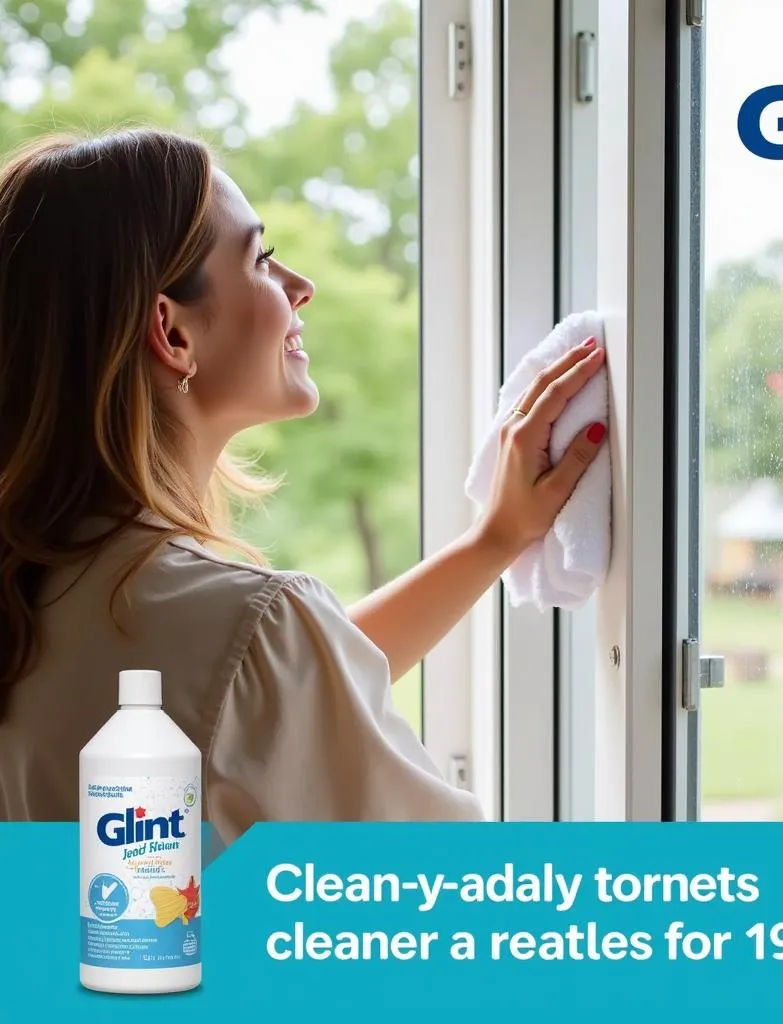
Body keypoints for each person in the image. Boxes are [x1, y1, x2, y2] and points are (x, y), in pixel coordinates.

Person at [0, 128, 607, 841]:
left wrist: (496, 540)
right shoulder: (240, 624)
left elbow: (252, 697)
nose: (301, 288)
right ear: (171, 332)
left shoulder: (50, 592)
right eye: (261, 259)